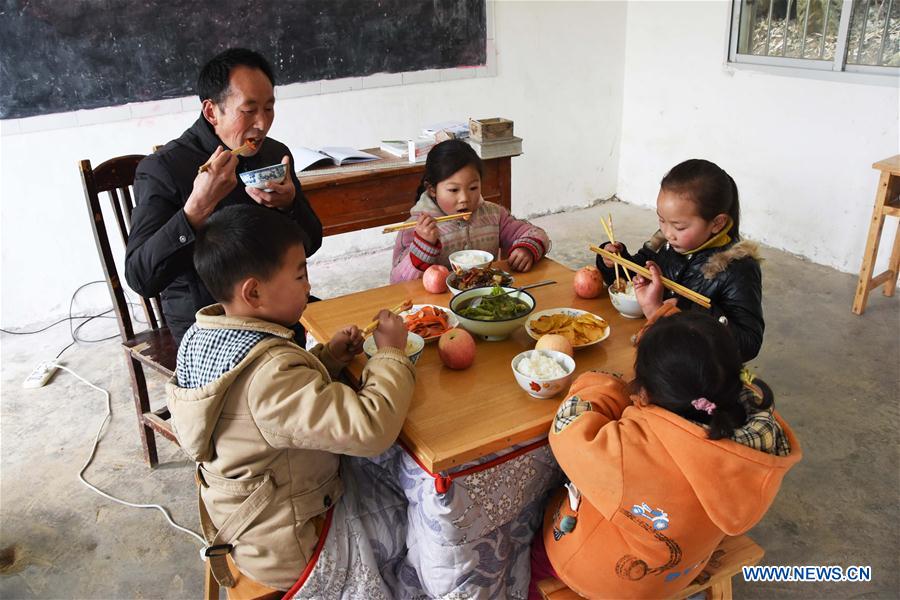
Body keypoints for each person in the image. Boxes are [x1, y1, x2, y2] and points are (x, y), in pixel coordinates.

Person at [167, 204, 415, 594]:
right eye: (300, 274)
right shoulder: (269, 376)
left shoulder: (205, 337)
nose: (308, 285)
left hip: (254, 514)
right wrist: (391, 355)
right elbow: (372, 429)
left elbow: (267, 411)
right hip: (291, 542)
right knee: (420, 514)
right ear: (253, 292)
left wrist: (329, 358)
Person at [528, 311, 801, 599]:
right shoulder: (761, 434)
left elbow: (569, 431)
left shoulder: (632, 449)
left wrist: (601, 383)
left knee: (537, 543)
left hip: (608, 580)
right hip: (684, 568)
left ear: (645, 392)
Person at [125, 47, 322, 342]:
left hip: (278, 311)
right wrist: (196, 209)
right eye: (249, 110)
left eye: (269, 108)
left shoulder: (274, 154)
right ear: (211, 111)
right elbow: (142, 278)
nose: (262, 123)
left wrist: (290, 206)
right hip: (209, 325)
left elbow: (311, 242)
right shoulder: (164, 168)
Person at [596, 159, 763, 361]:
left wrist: (685, 310)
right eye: (661, 220)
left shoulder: (738, 268)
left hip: (698, 368)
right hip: (660, 348)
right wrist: (616, 260)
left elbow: (748, 343)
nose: (668, 233)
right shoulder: (666, 244)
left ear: (717, 223)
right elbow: (635, 276)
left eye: (679, 227)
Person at [390, 139, 550, 283]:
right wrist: (423, 246)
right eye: (453, 190)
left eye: (473, 188)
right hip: (437, 309)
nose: (464, 198)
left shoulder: (493, 215)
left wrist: (527, 249)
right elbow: (397, 282)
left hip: (486, 300)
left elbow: (535, 233)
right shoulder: (416, 228)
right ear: (432, 189)